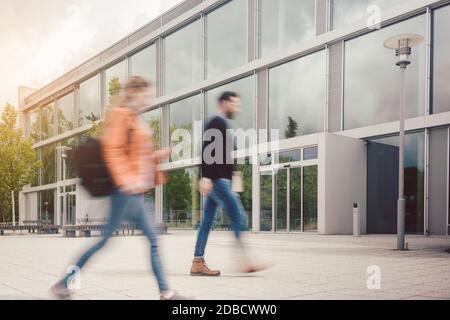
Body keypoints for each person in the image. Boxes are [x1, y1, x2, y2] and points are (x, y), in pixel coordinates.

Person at [51, 76, 186, 300]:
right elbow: (112, 151)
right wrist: (126, 181)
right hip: (125, 192)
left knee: (148, 239)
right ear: (133, 92)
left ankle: (165, 291)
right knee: (107, 241)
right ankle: (63, 283)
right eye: (145, 94)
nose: (147, 99)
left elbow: (136, 157)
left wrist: (157, 156)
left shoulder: (134, 118)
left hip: (135, 193)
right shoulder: (121, 115)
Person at [190, 91, 268, 277]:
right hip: (217, 181)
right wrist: (206, 177)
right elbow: (207, 150)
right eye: (234, 104)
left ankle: (197, 262)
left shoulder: (221, 124)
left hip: (220, 180)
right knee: (239, 217)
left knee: (207, 222)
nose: (237, 108)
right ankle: (244, 260)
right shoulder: (217, 122)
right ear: (224, 103)